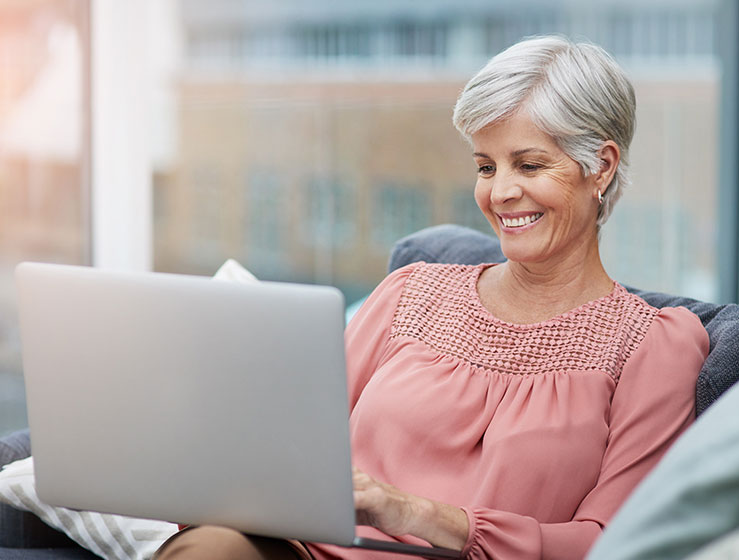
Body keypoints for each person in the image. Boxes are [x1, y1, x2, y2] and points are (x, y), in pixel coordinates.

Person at [155, 35, 709, 560]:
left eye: (530, 164)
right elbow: (292, 451)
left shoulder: (655, 345)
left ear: (601, 167)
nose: (500, 192)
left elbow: (614, 543)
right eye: (486, 167)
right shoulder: (411, 292)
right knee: (216, 547)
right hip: (309, 552)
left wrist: (413, 513)